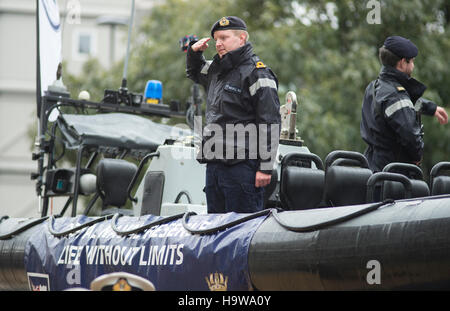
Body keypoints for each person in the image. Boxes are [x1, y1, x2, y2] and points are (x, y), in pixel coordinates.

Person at [186, 16, 281, 213]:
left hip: (242, 167)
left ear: (242, 38)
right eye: (216, 39)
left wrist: (265, 167)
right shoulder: (216, 70)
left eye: (224, 37)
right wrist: (193, 52)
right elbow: (195, 72)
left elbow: (270, 121)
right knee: (214, 232)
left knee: (239, 231)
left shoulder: (257, 73)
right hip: (215, 166)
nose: (218, 43)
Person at [360, 35, 448, 172]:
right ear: (402, 63)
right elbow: (410, 135)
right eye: (412, 61)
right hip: (394, 175)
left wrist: (431, 108)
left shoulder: (374, 87)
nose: (413, 66)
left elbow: (402, 106)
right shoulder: (396, 95)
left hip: (372, 167)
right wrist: (417, 155)